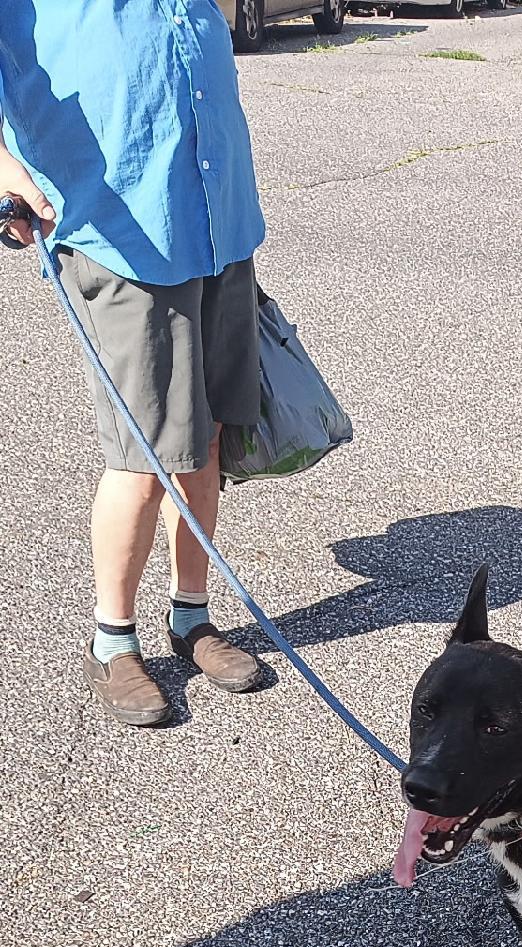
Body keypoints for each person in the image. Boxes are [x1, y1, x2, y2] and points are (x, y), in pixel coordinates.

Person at [0, 2, 267, 727]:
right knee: (142, 456)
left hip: (218, 218)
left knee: (206, 437)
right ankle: (112, 640)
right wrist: (6, 170)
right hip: (119, 229)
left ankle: (192, 617)